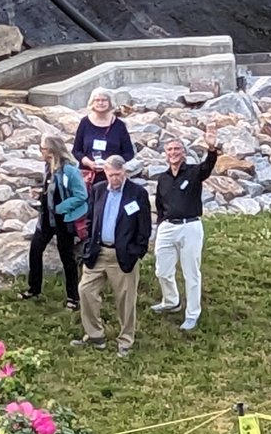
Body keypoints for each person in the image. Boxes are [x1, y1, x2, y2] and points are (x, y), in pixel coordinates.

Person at [72, 155, 151, 358]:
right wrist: (89, 242)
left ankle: (125, 341)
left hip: (123, 255)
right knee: (85, 290)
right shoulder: (98, 190)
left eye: (118, 175)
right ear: (105, 173)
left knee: (125, 299)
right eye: (110, 175)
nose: (114, 179)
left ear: (124, 172)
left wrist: (137, 251)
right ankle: (95, 335)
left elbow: (144, 227)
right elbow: (90, 218)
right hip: (98, 252)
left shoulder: (137, 193)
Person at [152, 125, 219, 332]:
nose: (173, 153)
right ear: (165, 154)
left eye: (177, 149)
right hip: (168, 227)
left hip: (190, 226)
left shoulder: (193, 172)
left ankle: (192, 314)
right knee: (162, 270)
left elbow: (208, 166)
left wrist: (212, 148)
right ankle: (171, 301)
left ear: (184, 153)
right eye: (169, 150)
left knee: (191, 273)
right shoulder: (162, 178)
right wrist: (162, 222)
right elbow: (160, 203)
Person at [20, 135, 88, 310]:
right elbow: (50, 190)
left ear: (50, 151)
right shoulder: (48, 167)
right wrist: (40, 194)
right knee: (35, 250)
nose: (40, 152)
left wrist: (61, 207)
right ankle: (34, 288)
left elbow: (81, 195)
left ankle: (73, 297)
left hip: (64, 220)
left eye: (42, 149)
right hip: (46, 218)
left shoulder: (70, 170)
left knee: (67, 258)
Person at [72, 88, 134, 187]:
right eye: (97, 100)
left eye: (104, 100)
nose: (100, 103)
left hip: (111, 177)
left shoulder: (119, 125)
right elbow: (76, 151)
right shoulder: (84, 123)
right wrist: (89, 163)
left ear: (110, 103)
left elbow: (129, 153)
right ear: (92, 102)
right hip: (88, 177)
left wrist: (111, 163)